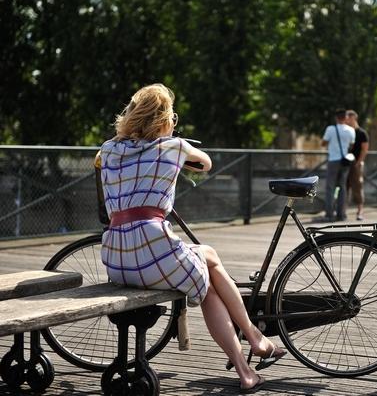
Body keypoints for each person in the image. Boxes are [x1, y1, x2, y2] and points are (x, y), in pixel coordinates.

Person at [98, 84, 284, 393]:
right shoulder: (174, 146)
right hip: (152, 248)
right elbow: (206, 163)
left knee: (206, 258)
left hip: (116, 256)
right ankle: (249, 352)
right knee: (209, 277)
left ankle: (253, 345)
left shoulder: (109, 148)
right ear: (165, 120)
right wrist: (175, 149)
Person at [321, 109, 355, 221]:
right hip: (345, 161)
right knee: (342, 187)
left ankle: (329, 214)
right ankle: (341, 214)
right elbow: (351, 145)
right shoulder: (351, 130)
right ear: (345, 118)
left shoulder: (330, 129)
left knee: (330, 187)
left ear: (336, 118)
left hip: (333, 160)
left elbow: (323, 143)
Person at [345, 110, 369, 220]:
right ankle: (343, 210)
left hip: (356, 163)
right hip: (345, 163)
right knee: (344, 187)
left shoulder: (362, 133)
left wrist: (359, 162)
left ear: (354, 118)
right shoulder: (346, 132)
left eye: (349, 119)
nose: (347, 121)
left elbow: (364, 150)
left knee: (357, 188)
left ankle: (360, 211)